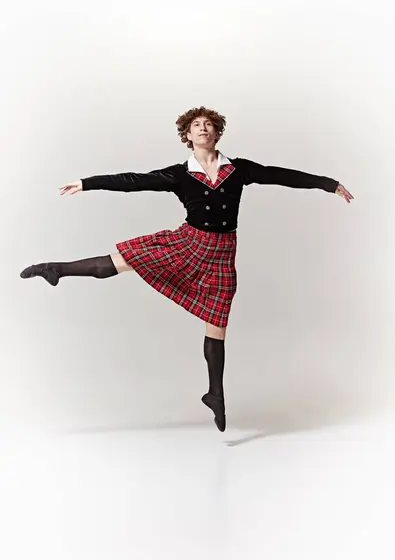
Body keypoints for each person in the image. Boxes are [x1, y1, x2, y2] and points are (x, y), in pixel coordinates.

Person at [20, 106, 354, 431]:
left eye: (209, 124)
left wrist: (329, 184)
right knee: (123, 261)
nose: (203, 128)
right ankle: (56, 269)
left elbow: (281, 175)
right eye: (197, 125)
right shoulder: (179, 174)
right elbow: (133, 181)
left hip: (222, 254)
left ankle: (215, 394)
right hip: (188, 245)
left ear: (217, 132)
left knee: (218, 322)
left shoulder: (239, 169)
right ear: (187, 135)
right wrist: (87, 182)